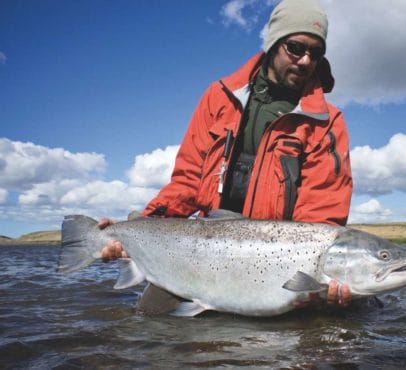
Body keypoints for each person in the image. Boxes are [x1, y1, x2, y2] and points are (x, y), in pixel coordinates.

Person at [100, 0, 353, 308]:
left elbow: (321, 214)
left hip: (275, 264)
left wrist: (322, 278)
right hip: (205, 251)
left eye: (316, 53)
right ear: (274, 42)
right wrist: (144, 226)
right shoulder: (218, 97)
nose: (305, 61)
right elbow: (188, 179)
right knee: (149, 327)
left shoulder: (328, 121)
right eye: (296, 47)